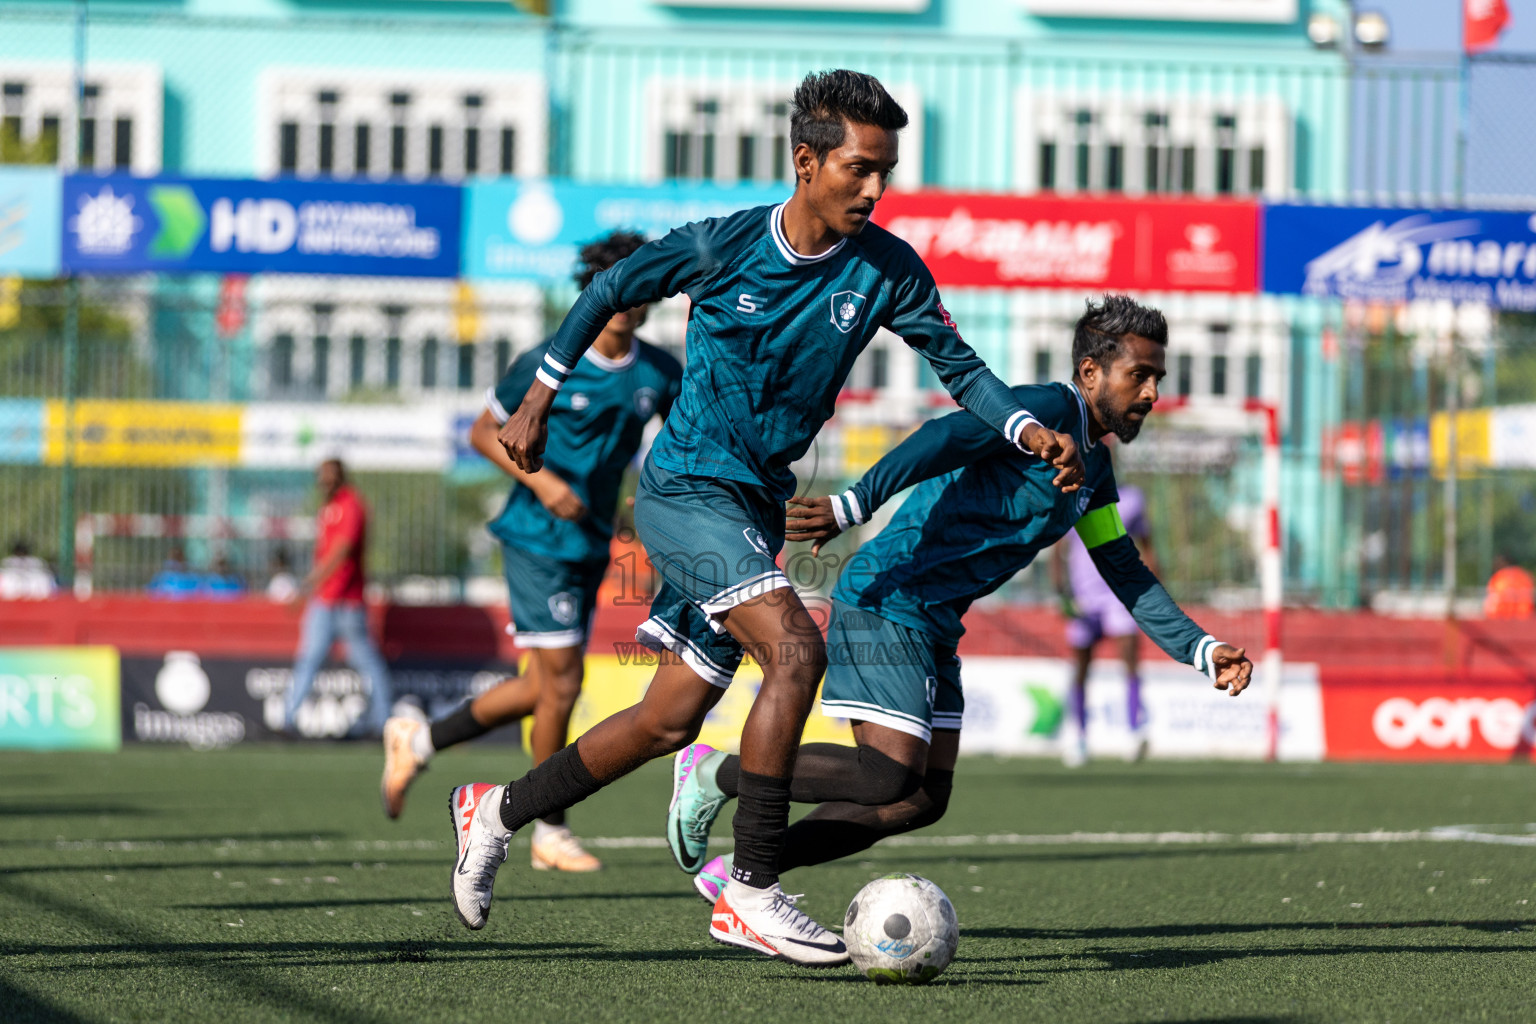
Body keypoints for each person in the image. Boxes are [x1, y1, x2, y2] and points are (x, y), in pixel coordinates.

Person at [447, 69, 1083, 966]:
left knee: (667, 718)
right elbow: (610, 288)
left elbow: (963, 372)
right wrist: (539, 398)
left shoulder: (890, 271)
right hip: (684, 493)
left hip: (751, 507)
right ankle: (748, 890)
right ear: (806, 160)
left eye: (886, 173)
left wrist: (1024, 425)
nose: (874, 189)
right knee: (797, 650)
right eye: (859, 169)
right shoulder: (722, 246)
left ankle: (495, 811)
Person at [666, 296, 1254, 902]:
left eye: (1158, 377)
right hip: (888, 597)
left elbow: (1124, 571)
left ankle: (737, 872)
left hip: (935, 622)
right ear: (1090, 373)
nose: (1153, 392)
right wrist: (853, 502)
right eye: (1140, 375)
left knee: (919, 800)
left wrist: (1203, 650)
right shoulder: (1048, 409)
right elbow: (946, 433)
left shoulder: (1095, 470)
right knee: (884, 773)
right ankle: (715, 771)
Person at [379, 231, 682, 876]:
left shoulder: (657, 373)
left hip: (591, 539)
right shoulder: (548, 359)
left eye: (640, 289)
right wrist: (544, 485)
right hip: (534, 538)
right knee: (564, 682)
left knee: (540, 686)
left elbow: (677, 450)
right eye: (615, 288)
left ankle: (421, 739)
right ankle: (549, 826)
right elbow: (484, 431)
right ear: (593, 292)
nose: (627, 304)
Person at [282, 458, 393, 737]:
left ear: (341, 477)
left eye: (330, 476)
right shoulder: (327, 507)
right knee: (308, 660)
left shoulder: (351, 504)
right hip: (325, 600)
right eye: (322, 476)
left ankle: (383, 723)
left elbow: (341, 551)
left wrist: (306, 586)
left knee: (367, 663)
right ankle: (287, 722)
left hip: (348, 603)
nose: (325, 481)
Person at [1051, 482, 1156, 766]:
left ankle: (1135, 732)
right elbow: (1057, 549)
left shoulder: (1132, 498)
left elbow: (1148, 546)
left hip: (1119, 596)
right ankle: (1079, 737)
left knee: (1130, 659)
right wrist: (1062, 593)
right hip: (1084, 599)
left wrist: (1154, 592)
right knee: (1082, 667)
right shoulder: (1074, 496)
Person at [1485, 553, 1534, 619]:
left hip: (1502, 617)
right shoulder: (1525, 576)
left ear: (1504, 563)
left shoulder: (1499, 578)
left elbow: (1492, 600)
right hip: (1524, 618)